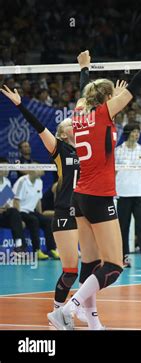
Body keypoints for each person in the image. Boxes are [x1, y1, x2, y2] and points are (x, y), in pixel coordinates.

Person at [48, 36, 141, 330]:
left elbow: (84, 94)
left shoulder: (78, 115)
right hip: (99, 197)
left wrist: (84, 68)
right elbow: (139, 81)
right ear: (108, 100)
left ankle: (92, 321)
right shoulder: (104, 113)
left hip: (79, 197)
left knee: (91, 266)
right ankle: (68, 309)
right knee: (115, 266)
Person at [2, 52, 108, 329]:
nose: (74, 121)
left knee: (93, 263)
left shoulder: (89, 144)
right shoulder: (59, 148)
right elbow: (38, 126)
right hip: (65, 211)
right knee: (71, 270)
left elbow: (84, 103)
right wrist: (20, 104)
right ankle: (57, 312)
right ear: (62, 132)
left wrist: (85, 69)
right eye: (68, 123)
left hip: (87, 208)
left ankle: (84, 310)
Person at [115, 122, 141, 269]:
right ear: (128, 133)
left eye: (138, 132)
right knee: (123, 227)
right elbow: (113, 173)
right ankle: (124, 258)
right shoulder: (118, 151)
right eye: (134, 131)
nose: (137, 134)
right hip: (123, 193)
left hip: (139, 193)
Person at [12, 167, 58, 260]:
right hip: (21, 211)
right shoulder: (22, 181)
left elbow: (38, 201)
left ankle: (51, 249)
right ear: (32, 170)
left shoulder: (39, 182)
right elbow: (15, 200)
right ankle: (37, 251)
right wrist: (18, 217)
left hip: (32, 211)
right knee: (34, 221)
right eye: (39, 168)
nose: (42, 170)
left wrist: (40, 214)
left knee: (48, 221)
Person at [0, 157, 26, 253]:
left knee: (14, 212)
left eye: (8, 167)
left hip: (3, 215)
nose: (7, 170)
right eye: (4, 167)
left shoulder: (7, 182)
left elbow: (7, 202)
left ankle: (19, 247)